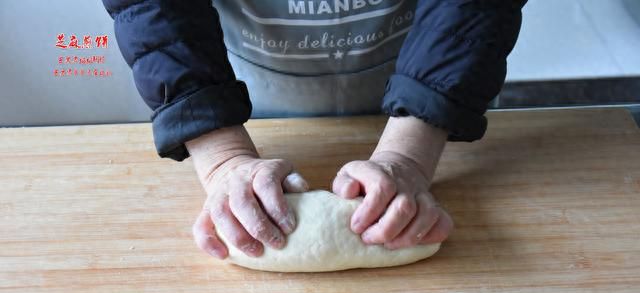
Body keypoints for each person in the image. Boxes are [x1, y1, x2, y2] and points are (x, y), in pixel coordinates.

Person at [102, 0, 526, 259]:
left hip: (433, 80)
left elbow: (474, 8)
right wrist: (223, 158)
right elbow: (152, 9)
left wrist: (409, 155)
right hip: (244, 79)